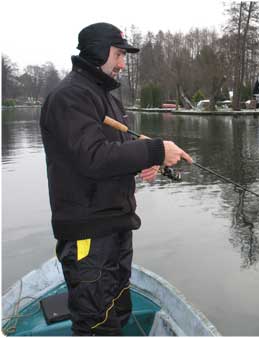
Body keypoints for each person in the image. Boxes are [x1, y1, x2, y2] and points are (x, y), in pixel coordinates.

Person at [40, 22, 192, 335]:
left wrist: (145, 164)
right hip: (88, 232)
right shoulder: (69, 97)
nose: (123, 63)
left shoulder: (106, 97)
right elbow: (94, 157)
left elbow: (116, 153)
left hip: (116, 225)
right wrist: (154, 150)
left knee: (118, 312)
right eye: (118, 55)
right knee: (96, 322)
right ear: (97, 52)